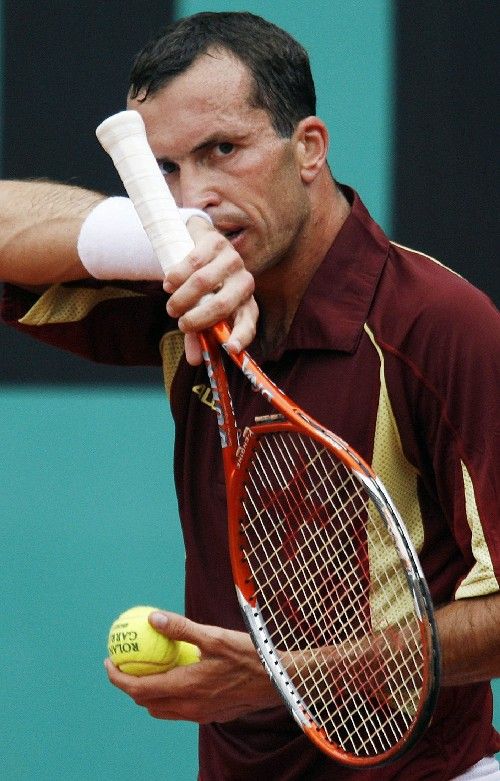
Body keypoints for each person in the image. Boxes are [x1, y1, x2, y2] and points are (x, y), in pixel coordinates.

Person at [1, 11, 499, 781]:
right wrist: (144, 238)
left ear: (308, 148)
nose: (194, 195)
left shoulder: (438, 324)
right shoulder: (175, 290)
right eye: (165, 170)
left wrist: (285, 675)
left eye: (222, 151)